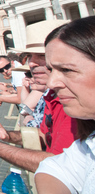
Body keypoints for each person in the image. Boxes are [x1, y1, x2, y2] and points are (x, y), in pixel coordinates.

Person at [0, 19, 76, 173]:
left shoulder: (75, 104)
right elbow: (44, 134)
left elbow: (61, 166)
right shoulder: (53, 95)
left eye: (41, 55)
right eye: (29, 56)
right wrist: (7, 136)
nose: (30, 64)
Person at [35, 16, 95, 193]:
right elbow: (54, 168)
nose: (52, 83)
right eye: (51, 70)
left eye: (67, 70)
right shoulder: (88, 143)